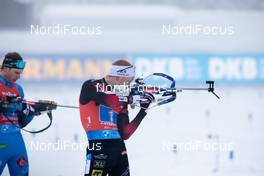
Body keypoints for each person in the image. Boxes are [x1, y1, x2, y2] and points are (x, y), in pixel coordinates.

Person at [79, 60, 154, 176]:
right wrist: (131, 98)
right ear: (118, 78)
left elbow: (125, 133)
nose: (128, 86)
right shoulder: (90, 85)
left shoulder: (122, 97)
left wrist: (143, 110)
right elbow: (108, 100)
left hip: (119, 149)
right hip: (98, 148)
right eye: (127, 82)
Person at [0, 52, 36, 176]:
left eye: (20, 73)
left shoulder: (18, 89)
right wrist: (7, 105)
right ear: (5, 68)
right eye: (16, 73)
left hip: (16, 140)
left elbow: (21, 122)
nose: (19, 77)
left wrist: (33, 111)